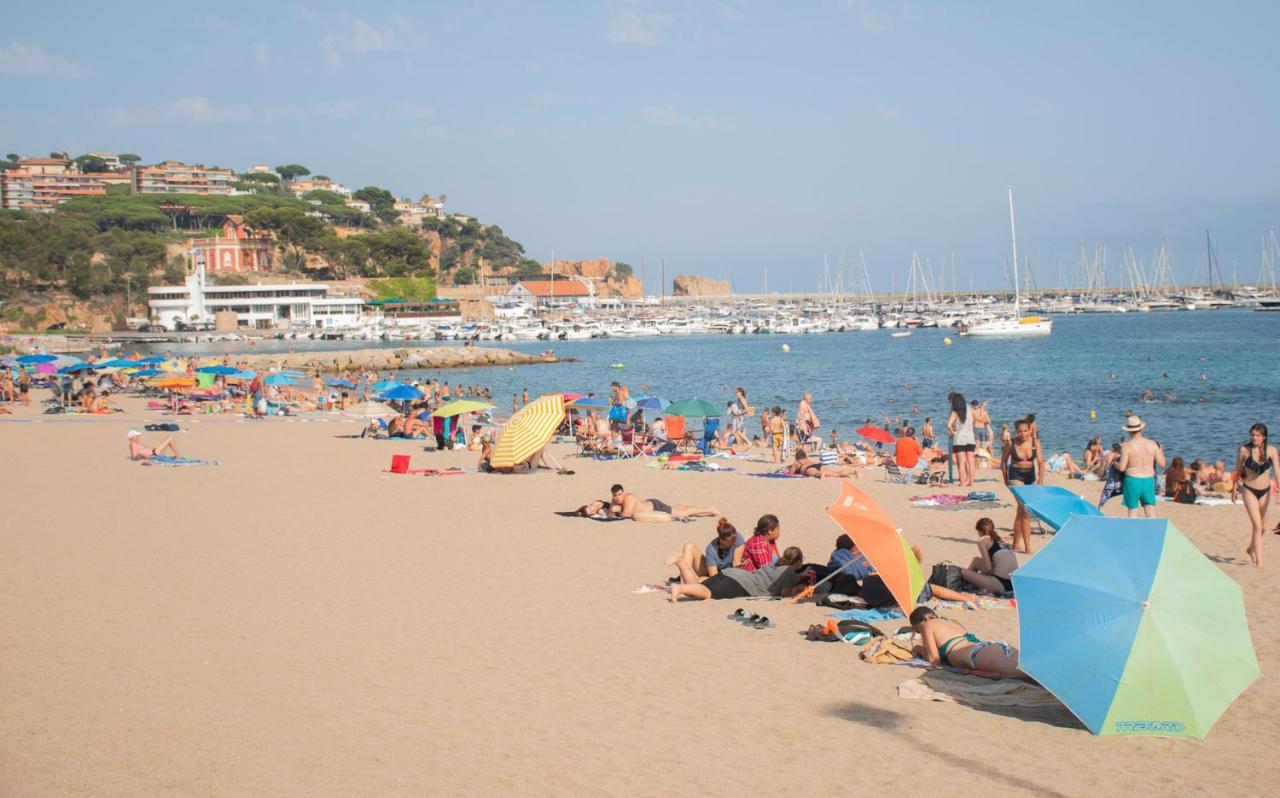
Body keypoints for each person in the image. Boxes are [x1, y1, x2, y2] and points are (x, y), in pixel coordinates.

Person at [668, 545, 812, 602]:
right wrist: (797, 588)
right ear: (798, 561)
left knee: (696, 588)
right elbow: (784, 593)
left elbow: (777, 578)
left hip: (732, 573)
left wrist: (801, 576)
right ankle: (679, 588)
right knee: (706, 593)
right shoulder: (788, 573)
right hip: (741, 584)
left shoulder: (776, 563)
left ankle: (682, 564)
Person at [909, 607, 1022, 677]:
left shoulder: (928, 624)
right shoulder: (951, 622)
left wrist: (921, 650)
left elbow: (934, 661)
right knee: (1029, 668)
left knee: (1027, 674)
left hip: (976, 654)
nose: (920, 633)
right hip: (992, 646)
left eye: (918, 630)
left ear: (924, 620)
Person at [1233, 423, 1277, 568]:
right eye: (1252, 435)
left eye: (1258, 435)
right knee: (1257, 526)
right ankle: (1259, 562)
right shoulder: (1244, 450)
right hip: (1249, 490)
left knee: (1263, 527)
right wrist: (1234, 489)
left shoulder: (1272, 451)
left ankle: (1251, 548)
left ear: (1264, 437)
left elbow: (1277, 472)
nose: (1254, 438)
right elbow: (1237, 470)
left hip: (1266, 491)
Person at [1001, 418, 1044, 553]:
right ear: (1016, 432)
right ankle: (1028, 547)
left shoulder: (1035, 442)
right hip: (1015, 476)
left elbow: (1041, 462)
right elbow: (1003, 462)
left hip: (1030, 476)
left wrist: (1041, 479)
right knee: (1025, 511)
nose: (1023, 434)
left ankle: (1015, 544)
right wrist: (1006, 480)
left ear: (1030, 431)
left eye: (1025, 431)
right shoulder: (1011, 443)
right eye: (1020, 431)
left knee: (1021, 511)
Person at [665, 518, 746, 579]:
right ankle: (684, 576)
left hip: (731, 574)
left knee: (700, 580)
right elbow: (713, 577)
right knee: (689, 546)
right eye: (729, 544)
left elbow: (736, 562)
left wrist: (737, 565)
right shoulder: (711, 549)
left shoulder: (737, 538)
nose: (733, 544)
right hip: (713, 574)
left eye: (733, 542)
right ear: (721, 539)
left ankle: (686, 578)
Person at [1118, 414, 1165, 518]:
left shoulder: (1127, 446)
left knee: (1133, 512)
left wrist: (1114, 463)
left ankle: (1133, 529)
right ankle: (1152, 528)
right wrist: (1161, 451)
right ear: (1141, 429)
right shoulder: (1152, 444)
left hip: (1132, 480)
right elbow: (1162, 464)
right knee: (1150, 511)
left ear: (1129, 431)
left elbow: (1122, 468)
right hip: (1148, 480)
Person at [960, 518, 1018, 594]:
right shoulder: (1000, 540)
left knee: (961, 571)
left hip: (1000, 583)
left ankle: (963, 583)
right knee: (976, 560)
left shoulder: (982, 540)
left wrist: (978, 576)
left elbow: (988, 568)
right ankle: (966, 583)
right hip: (1014, 583)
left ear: (979, 531)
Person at [608, 484, 719, 521]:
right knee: (677, 509)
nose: (617, 498)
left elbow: (625, 515)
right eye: (615, 496)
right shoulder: (615, 499)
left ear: (623, 492)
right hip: (649, 504)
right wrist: (612, 509)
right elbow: (609, 514)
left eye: (619, 494)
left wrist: (618, 510)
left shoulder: (629, 498)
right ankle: (697, 507)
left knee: (683, 513)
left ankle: (710, 509)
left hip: (655, 506)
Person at [947, 392, 976, 487]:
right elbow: (975, 421)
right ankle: (971, 482)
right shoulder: (970, 410)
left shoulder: (955, 412)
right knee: (971, 461)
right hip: (970, 437)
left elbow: (948, 425)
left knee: (961, 461)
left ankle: (962, 482)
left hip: (960, 438)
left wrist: (952, 432)